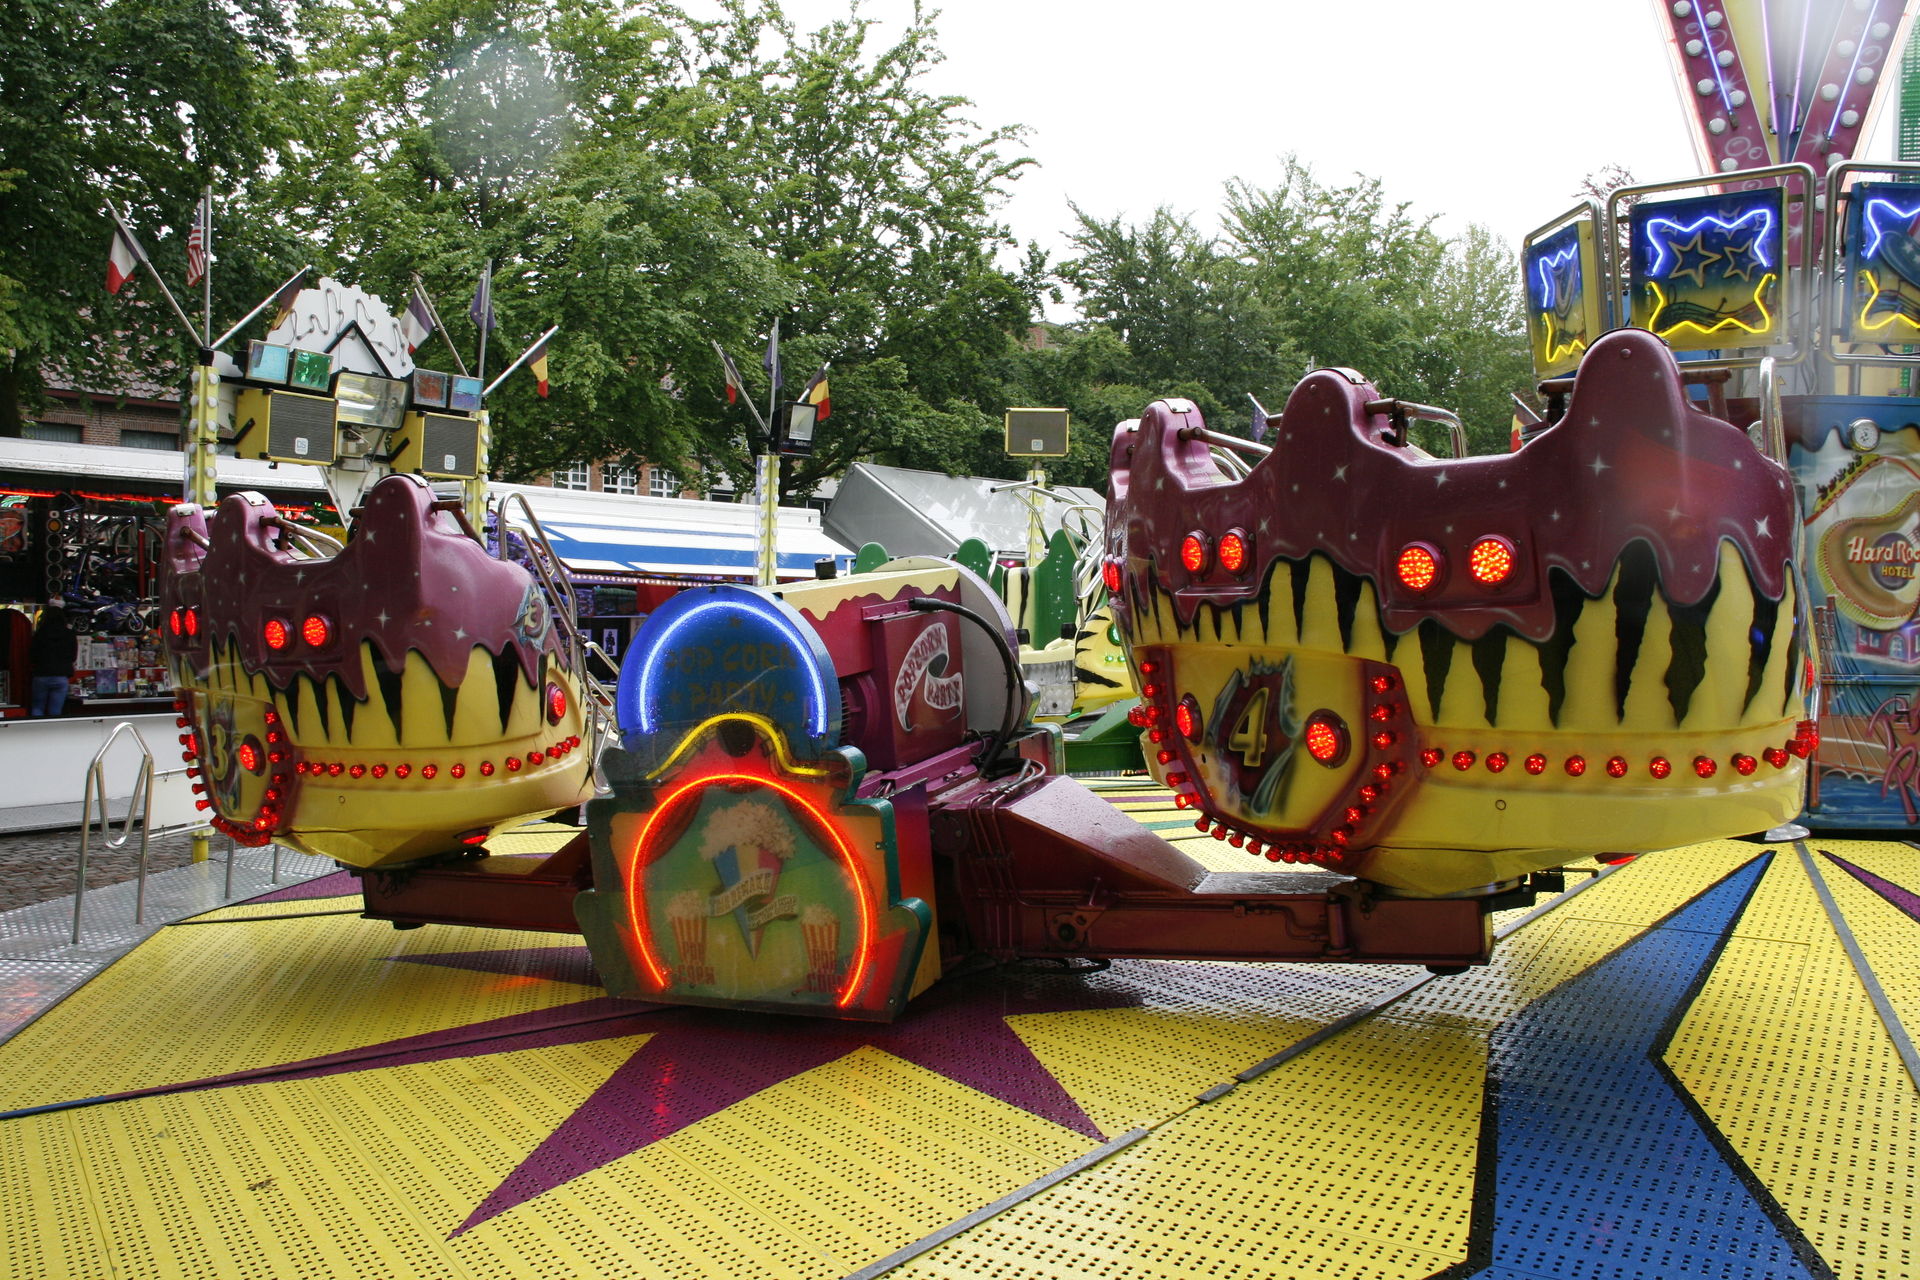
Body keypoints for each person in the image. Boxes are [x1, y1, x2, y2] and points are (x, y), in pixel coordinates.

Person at [28, 598, 77, 718]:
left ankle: (36, 728)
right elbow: (73, 656)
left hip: (41, 674)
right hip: (61, 676)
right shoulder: (69, 634)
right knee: (55, 712)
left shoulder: (40, 633)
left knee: (37, 708)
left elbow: (32, 655)